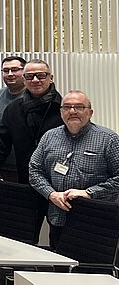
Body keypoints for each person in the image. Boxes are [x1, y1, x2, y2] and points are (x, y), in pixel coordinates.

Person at [28, 91, 119, 250]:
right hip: (58, 216)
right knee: (61, 266)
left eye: (79, 107)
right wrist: (51, 194)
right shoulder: (49, 137)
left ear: (90, 112)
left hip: (95, 219)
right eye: (67, 107)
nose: (72, 111)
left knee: (93, 270)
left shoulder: (109, 139)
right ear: (61, 112)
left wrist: (89, 192)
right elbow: (34, 170)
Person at [0, 59, 62, 196]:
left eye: (40, 75)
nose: (35, 80)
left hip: (59, 182)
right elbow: (0, 144)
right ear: (24, 79)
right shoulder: (13, 109)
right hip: (24, 178)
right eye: (29, 76)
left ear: (50, 78)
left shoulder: (64, 108)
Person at [0, 55, 27, 135]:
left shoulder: (33, 96)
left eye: (14, 70)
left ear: (25, 72)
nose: (10, 74)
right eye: (6, 71)